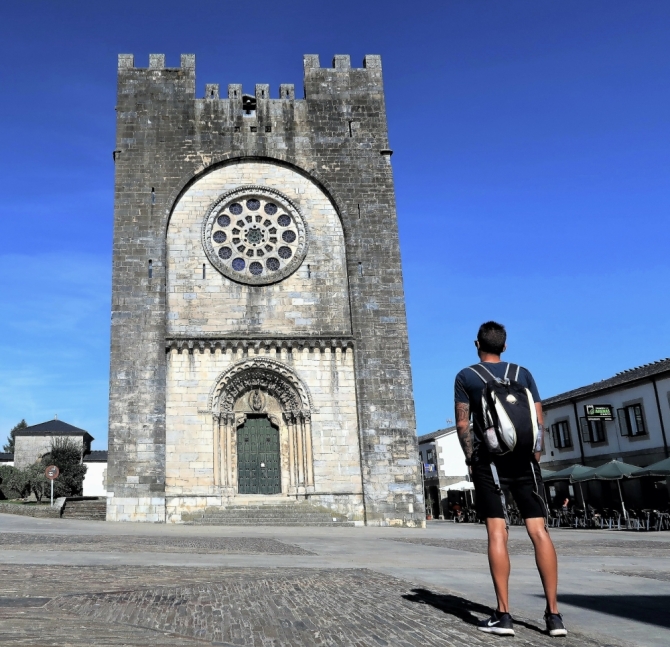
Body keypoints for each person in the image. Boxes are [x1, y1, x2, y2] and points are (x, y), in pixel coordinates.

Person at [454, 321, 567, 637]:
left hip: (489, 462)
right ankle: (554, 616)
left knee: (497, 533)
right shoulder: (523, 374)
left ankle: (503, 615)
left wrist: (470, 458)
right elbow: (538, 418)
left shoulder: (467, 377)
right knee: (539, 531)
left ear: (477, 344)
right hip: (525, 461)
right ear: (505, 346)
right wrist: (536, 454)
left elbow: (463, 424)